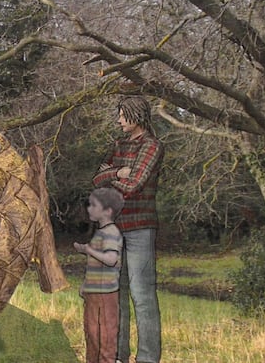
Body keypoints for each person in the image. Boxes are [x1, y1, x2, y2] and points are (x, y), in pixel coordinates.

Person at [93, 96, 164, 363]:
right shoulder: (118, 145)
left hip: (140, 229)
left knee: (142, 295)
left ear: (136, 115)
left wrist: (116, 176)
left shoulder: (152, 146)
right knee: (116, 295)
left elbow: (135, 186)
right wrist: (116, 173)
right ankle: (118, 356)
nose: (119, 120)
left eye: (123, 114)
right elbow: (96, 179)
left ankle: (147, 359)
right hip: (114, 229)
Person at [74, 187, 125, 363]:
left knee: (105, 336)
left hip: (106, 295)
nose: (89, 209)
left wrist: (88, 250)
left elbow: (111, 259)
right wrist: (85, 286)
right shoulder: (100, 233)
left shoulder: (111, 233)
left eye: (94, 205)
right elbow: (96, 265)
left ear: (107, 211)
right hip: (93, 293)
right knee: (92, 334)